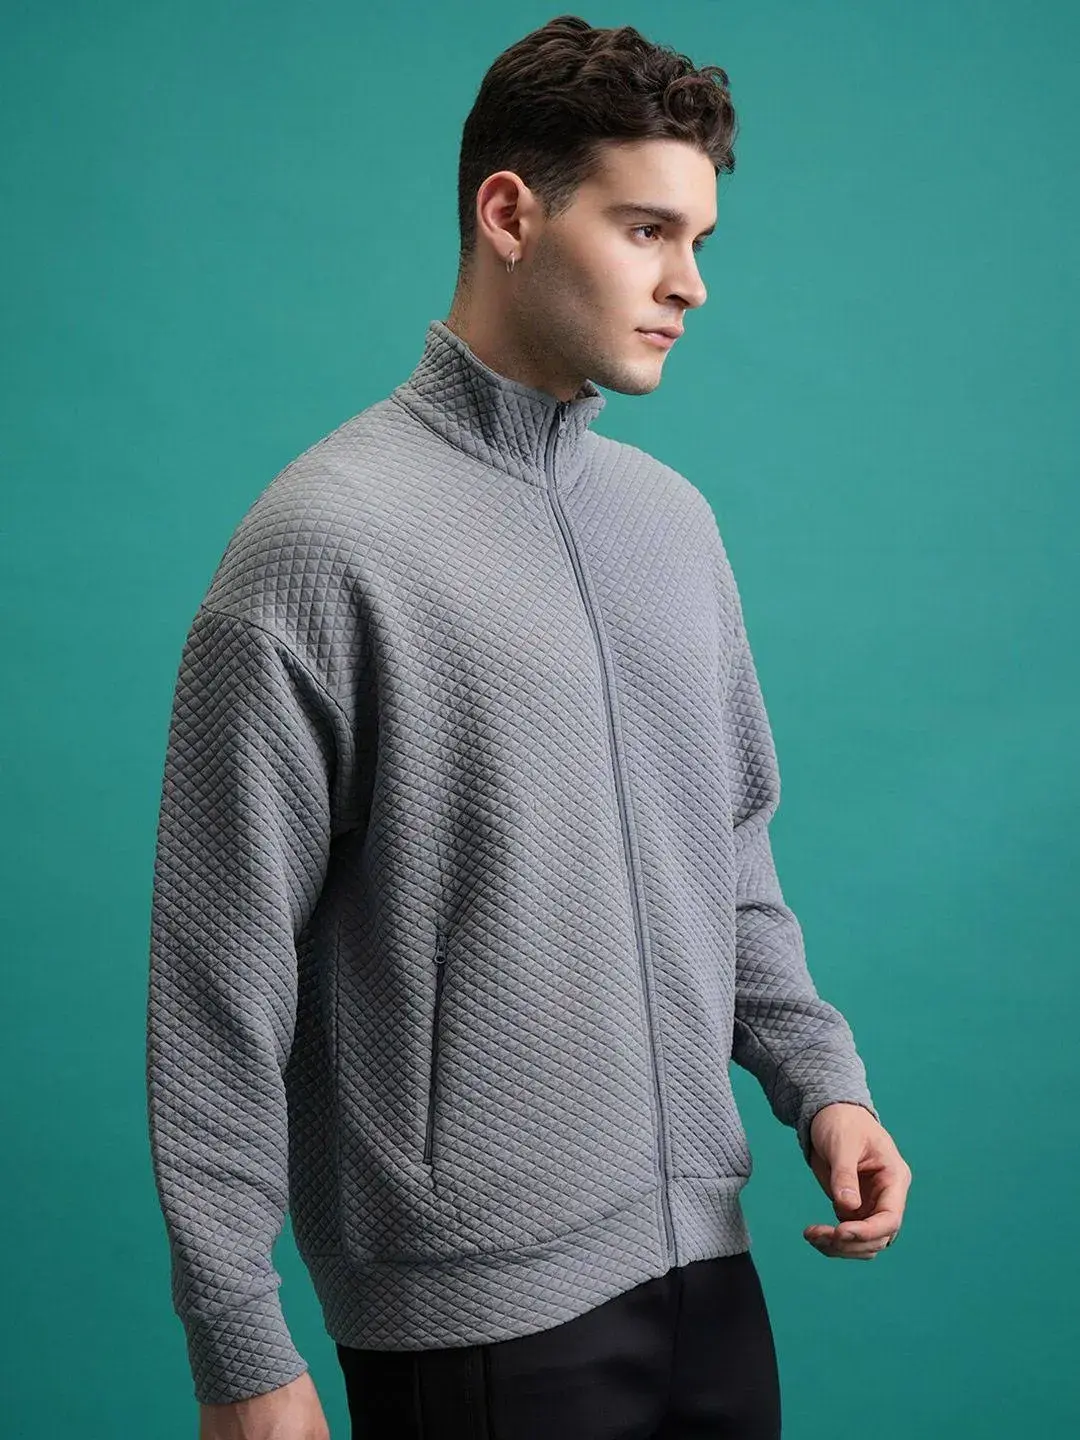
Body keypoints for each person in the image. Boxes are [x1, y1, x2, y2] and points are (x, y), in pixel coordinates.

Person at [145, 14, 912, 1440]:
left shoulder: (673, 528)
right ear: (510, 214)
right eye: (646, 230)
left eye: (700, 240)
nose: (690, 283)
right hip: (475, 1321)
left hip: (711, 1282)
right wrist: (237, 1341)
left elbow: (730, 858)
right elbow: (216, 976)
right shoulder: (321, 547)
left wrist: (823, 1087)